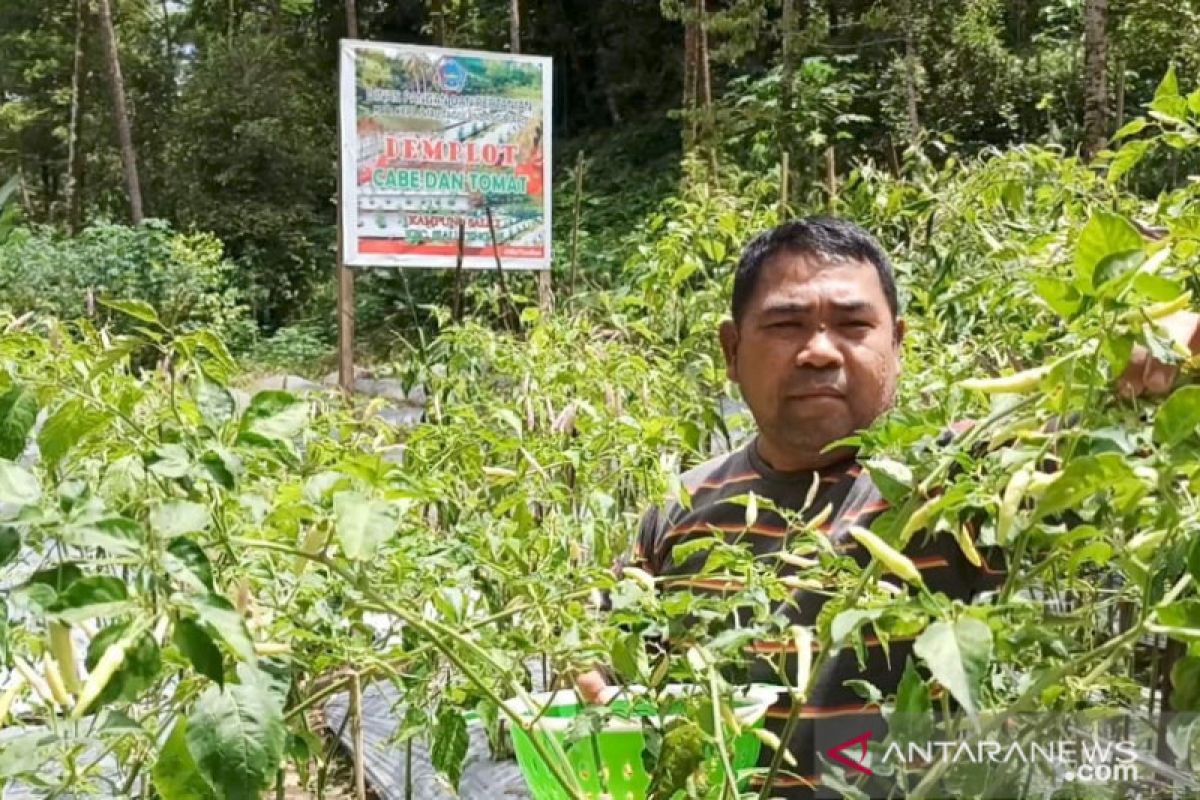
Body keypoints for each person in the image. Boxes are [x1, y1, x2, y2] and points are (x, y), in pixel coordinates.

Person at [573, 216, 1200, 798]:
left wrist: (1158, 358)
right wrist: (596, 687)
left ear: (897, 343)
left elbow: (1082, 431)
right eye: (787, 326)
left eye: (853, 325)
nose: (819, 351)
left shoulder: (959, 473)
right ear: (731, 351)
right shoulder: (680, 509)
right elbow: (602, 664)